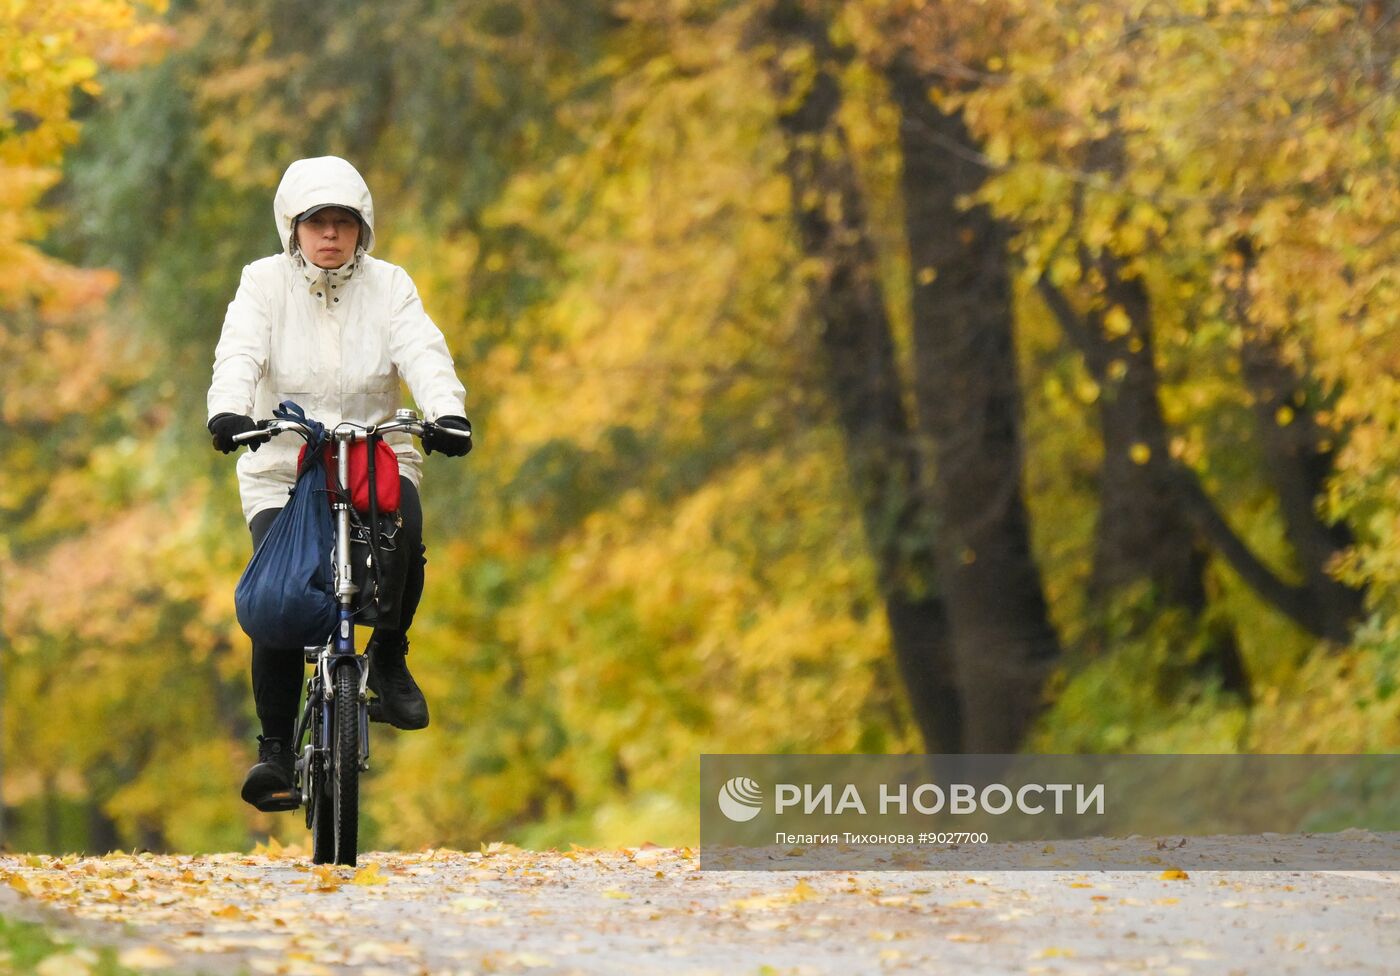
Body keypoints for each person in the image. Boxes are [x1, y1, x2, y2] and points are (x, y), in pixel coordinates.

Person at [206, 156, 472, 812]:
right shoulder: (263, 283)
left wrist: (447, 412)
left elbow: (423, 351)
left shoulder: (391, 286)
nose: (330, 235)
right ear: (292, 228)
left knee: (406, 535)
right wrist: (229, 410)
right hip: (284, 465)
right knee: (279, 590)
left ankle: (389, 653)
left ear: (362, 229)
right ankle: (273, 751)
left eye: (343, 223)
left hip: (373, 453)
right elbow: (240, 351)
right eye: (317, 222)